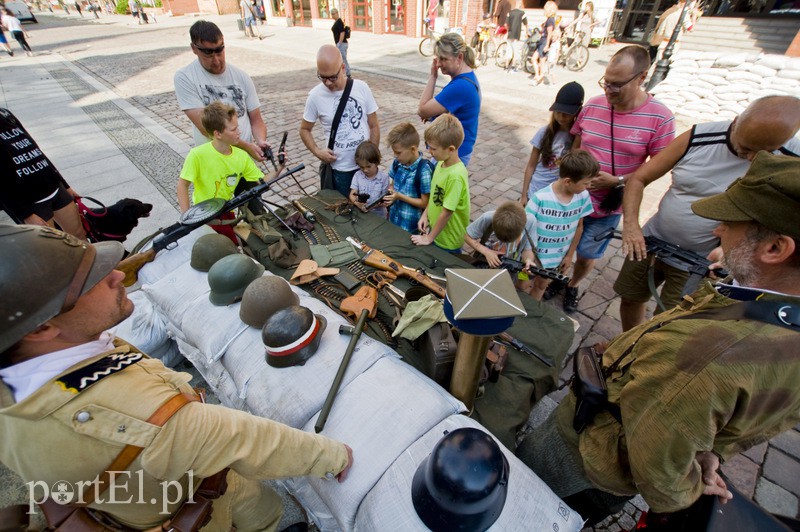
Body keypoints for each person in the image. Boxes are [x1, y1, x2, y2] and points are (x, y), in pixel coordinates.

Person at [0, 224, 354, 530]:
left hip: (131, 496)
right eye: (91, 281)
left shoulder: (23, 382)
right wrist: (332, 457)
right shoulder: (144, 416)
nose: (117, 275)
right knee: (259, 512)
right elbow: (247, 439)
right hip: (184, 506)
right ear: (42, 328)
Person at [516, 151, 800, 527]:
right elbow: (759, 416)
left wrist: (686, 486)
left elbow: (659, 458)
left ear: (775, 249)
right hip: (607, 458)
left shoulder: (711, 355)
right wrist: (713, 449)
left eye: (732, 224)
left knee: (525, 499)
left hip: (586, 457)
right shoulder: (772, 314)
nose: (718, 231)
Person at [614, 95, 800, 331]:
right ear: (735, 122)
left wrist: (732, 248)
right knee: (630, 296)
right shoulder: (699, 136)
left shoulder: (792, 163)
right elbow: (640, 178)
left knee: (669, 320)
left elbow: (785, 225)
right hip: (651, 241)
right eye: (745, 148)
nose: (752, 158)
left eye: (765, 152)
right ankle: (626, 341)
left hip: (699, 262)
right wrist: (631, 226)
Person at [563, 45, 675, 313]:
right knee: (563, 244)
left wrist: (617, 180)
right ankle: (558, 277)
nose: (608, 90)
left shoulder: (661, 119)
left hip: (609, 205)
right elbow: (576, 148)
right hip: (574, 199)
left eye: (617, 85)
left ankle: (573, 284)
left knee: (588, 253)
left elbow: (658, 168)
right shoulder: (592, 105)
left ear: (641, 77)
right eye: (606, 82)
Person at [174, 20, 269, 162]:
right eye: (208, 53)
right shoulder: (185, 77)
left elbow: (256, 119)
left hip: (244, 162)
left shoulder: (241, 77)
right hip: (214, 164)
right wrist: (246, 146)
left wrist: (261, 141)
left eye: (220, 50)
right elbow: (206, 128)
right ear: (194, 48)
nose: (217, 60)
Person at [177, 102, 267, 242]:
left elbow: (261, 181)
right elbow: (182, 185)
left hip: (226, 212)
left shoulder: (241, 156)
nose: (239, 132)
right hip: (203, 215)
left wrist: (279, 168)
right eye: (233, 129)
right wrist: (186, 218)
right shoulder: (197, 155)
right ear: (218, 134)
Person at [300, 44, 380, 197]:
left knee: (369, 211)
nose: (328, 83)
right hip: (340, 170)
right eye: (322, 77)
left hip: (365, 167)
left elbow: (374, 125)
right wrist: (318, 152)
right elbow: (304, 129)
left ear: (343, 68)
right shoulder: (315, 96)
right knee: (343, 214)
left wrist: (372, 158)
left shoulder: (361, 88)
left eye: (332, 77)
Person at [0, 107, 86, 240]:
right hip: (30, 201)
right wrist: (26, 215)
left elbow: (35, 149)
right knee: (54, 249)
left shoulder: (4, 113)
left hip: (54, 186)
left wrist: (65, 185)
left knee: (79, 236)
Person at [525, 150, 595, 301]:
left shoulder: (583, 197)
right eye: (585, 183)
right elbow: (524, 230)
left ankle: (529, 314)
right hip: (530, 258)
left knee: (541, 286)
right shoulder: (540, 199)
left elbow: (579, 227)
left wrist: (569, 256)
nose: (589, 186)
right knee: (522, 284)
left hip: (554, 260)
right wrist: (527, 257)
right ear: (568, 181)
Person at [418, 33, 481, 167]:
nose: (439, 64)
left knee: (439, 187)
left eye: (443, 59)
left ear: (459, 57)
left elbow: (422, 110)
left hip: (452, 153)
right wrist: (433, 116)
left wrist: (433, 77)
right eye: (437, 59)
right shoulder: (468, 77)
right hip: (458, 149)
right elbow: (456, 110)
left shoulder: (460, 86)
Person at [411, 114, 470, 252]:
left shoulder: (455, 176)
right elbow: (435, 196)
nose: (429, 151)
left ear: (450, 149)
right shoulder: (440, 164)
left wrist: (429, 238)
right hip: (436, 234)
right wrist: (425, 215)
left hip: (448, 241)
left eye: (433, 148)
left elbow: (447, 212)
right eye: (428, 146)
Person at [521, 82, 584, 205]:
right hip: (536, 189)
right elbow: (531, 165)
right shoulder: (544, 132)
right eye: (557, 112)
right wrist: (524, 195)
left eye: (566, 113)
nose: (561, 116)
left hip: (558, 194)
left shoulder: (577, 138)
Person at [464, 201, 537, 291]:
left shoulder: (530, 222)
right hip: (483, 263)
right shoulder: (487, 218)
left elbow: (527, 250)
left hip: (509, 271)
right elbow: (467, 236)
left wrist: (528, 260)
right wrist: (486, 252)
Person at [385, 122, 432, 233]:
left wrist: (399, 196)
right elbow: (392, 184)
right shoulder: (397, 163)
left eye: (398, 152)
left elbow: (425, 203)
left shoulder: (423, 171)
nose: (395, 156)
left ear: (413, 149)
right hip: (394, 219)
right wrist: (391, 192)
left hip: (411, 226)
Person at [349, 140, 390, 218]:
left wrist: (380, 204)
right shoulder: (357, 175)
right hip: (362, 215)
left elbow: (384, 199)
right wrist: (357, 203)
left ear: (377, 162)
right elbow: (352, 194)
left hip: (379, 216)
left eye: (368, 166)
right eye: (361, 167)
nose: (365, 170)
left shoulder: (384, 178)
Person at [530, 1, 558, 85]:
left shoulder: (550, 20)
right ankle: (538, 76)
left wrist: (547, 45)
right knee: (534, 59)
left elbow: (549, 34)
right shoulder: (550, 20)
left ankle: (539, 79)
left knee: (541, 62)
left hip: (544, 42)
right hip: (543, 41)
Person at [504, 0, 527, 72]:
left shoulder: (509, 13)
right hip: (517, 34)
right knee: (515, 50)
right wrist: (526, 33)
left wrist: (508, 30)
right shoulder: (522, 13)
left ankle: (506, 66)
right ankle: (513, 67)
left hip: (510, 34)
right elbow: (526, 23)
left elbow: (505, 24)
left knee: (508, 50)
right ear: (520, 5)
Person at [330, 8, 351, 78]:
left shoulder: (339, 21)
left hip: (342, 44)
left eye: (333, 14)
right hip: (341, 43)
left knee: (343, 59)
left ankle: (348, 74)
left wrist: (339, 43)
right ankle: (343, 72)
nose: (332, 16)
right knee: (341, 59)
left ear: (337, 13)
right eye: (331, 14)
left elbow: (342, 32)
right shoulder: (336, 21)